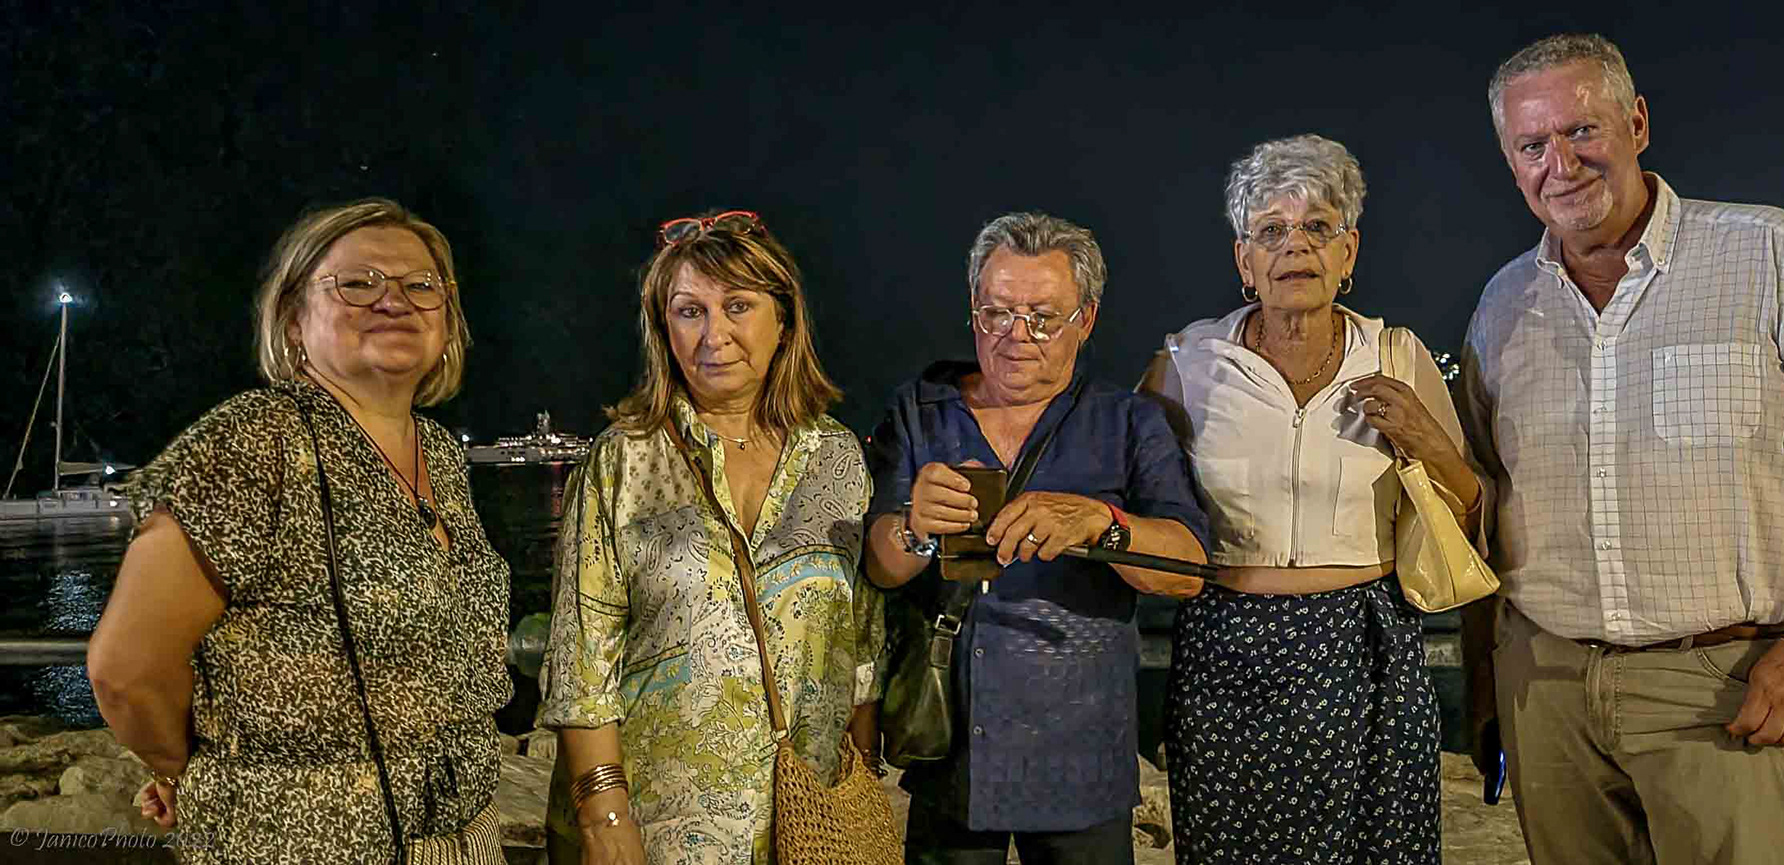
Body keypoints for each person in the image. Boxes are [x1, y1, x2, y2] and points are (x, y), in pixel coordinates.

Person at [1456, 33, 1784, 864]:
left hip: (1723, 687)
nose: (1561, 163)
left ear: (1636, 123)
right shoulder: (1502, 305)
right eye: (1532, 145)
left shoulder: (1770, 252)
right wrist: (1488, 685)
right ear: (1510, 161)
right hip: (1546, 691)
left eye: (1582, 130)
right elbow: (1485, 504)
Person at [87, 198, 511, 862]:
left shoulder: (440, 455)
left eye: (421, 284)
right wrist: (189, 768)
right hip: (300, 843)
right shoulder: (255, 441)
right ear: (292, 320)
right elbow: (126, 668)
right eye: (358, 282)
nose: (394, 300)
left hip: (464, 837)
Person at [1137, 134, 1474, 864]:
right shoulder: (1187, 363)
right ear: (1244, 261)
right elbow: (1136, 499)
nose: (1296, 245)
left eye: (1318, 227)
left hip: (1367, 649)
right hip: (1224, 654)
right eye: (1271, 230)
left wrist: (1425, 436)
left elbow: (1472, 507)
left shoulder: (1397, 355)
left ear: (1348, 253)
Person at [538, 210, 885, 865]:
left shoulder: (836, 456)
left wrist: (859, 779)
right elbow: (582, 661)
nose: (713, 334)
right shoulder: (623, 460)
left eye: (738, 306)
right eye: (689, 311)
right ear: (663, 329)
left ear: (784, 321)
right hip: (661, 823)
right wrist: (605, 817)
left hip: (811, 820)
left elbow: (860, 639)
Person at [864, 211, 1209, 865]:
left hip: (1080, 761)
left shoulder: (1127, 422)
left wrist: (1104, 523)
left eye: (1043, 318)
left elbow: (1187, 568)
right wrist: (913, 527)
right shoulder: (919, 409)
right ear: (973, 311)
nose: (1017, 336)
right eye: (998, 313)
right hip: (951, 753)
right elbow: (880, 565)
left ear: (1086, 318)